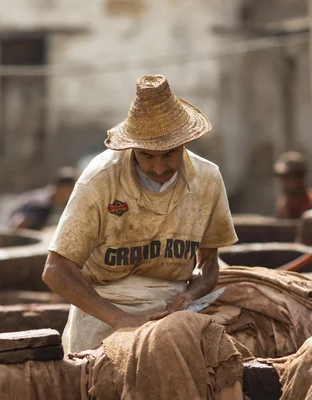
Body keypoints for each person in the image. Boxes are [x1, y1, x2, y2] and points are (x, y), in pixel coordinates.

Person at [42, 74, 238, 354]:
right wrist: (121, 320)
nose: (159, 169)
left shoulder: (207, 178)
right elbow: (55, 271)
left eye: (169, 154)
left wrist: (191, 295)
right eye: (147, 156)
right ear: (132, 146)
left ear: (185, 143)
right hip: (102, 314)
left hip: (171, 316)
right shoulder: (100, 178)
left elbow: (209, 265)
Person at [7, 167, 77, 230]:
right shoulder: (41, 204)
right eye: (71, 190)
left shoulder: (48, 200)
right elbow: (15, 226)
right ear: (62, 188)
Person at [274, 151, 312, 219]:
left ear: (300, 178)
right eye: (282, 178)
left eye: (288, 178)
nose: (284, 183)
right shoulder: (283, 205)